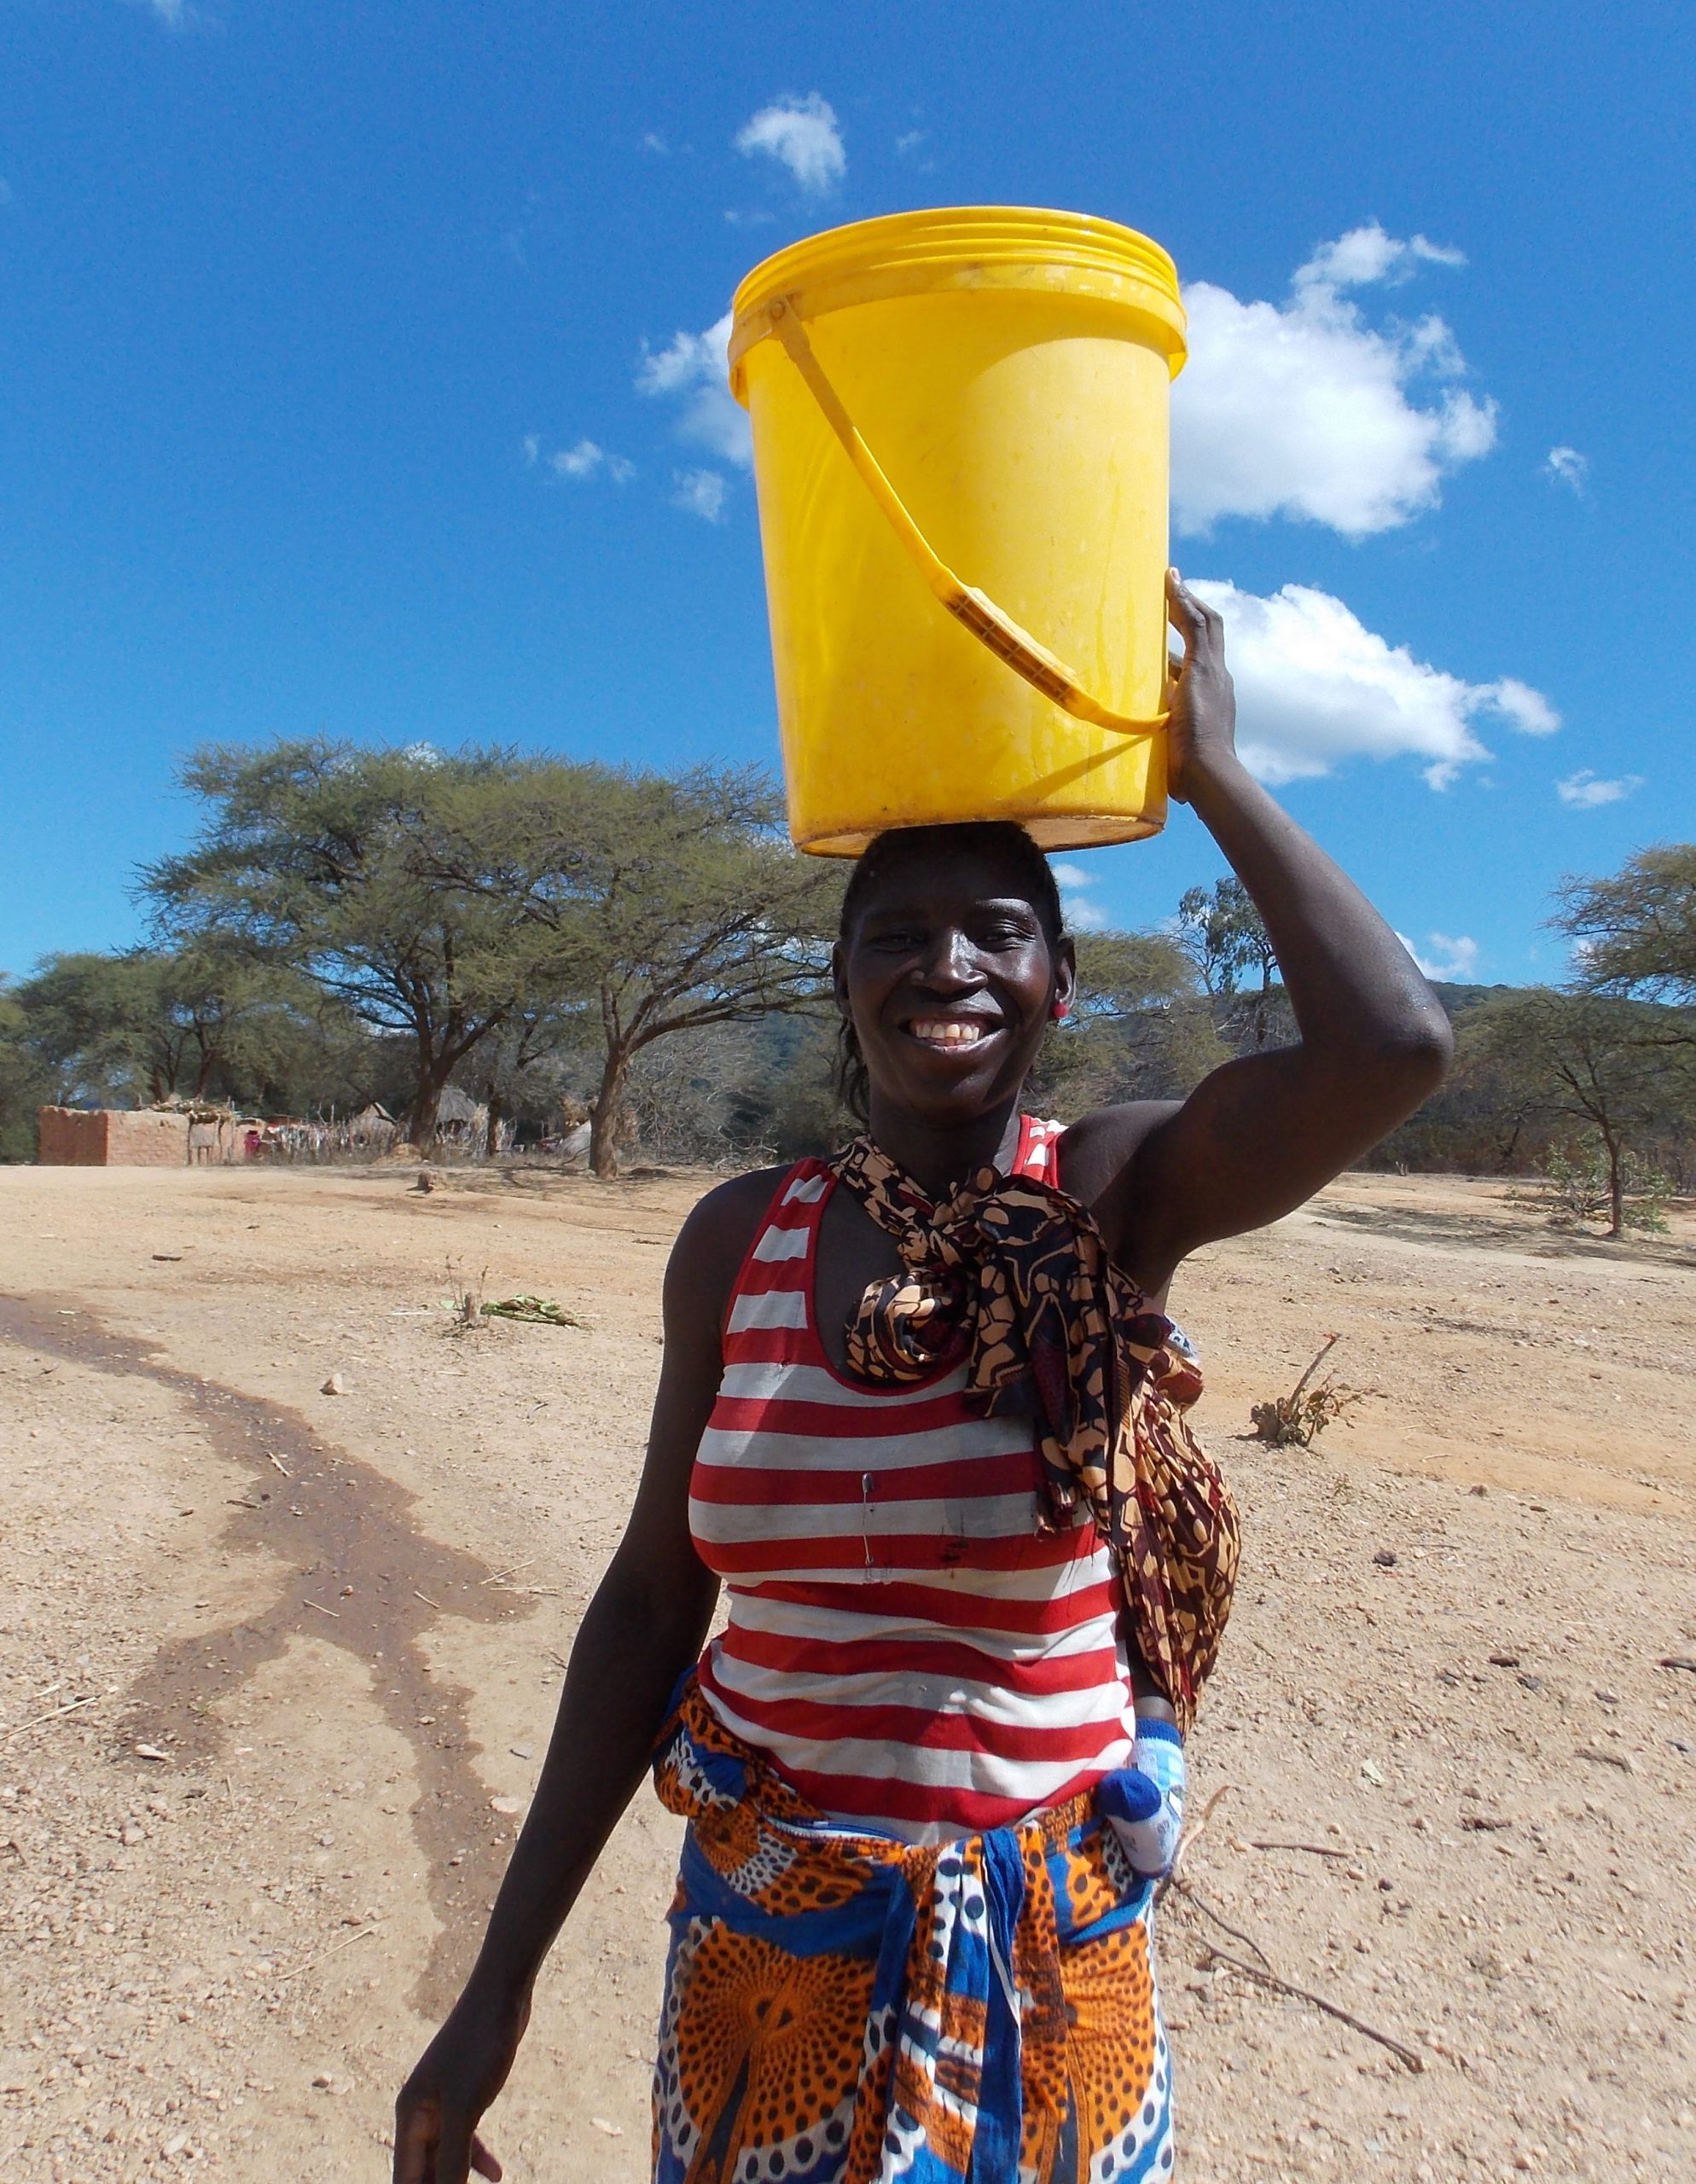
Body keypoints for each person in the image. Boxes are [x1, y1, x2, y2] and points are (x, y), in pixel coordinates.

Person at [393, 573, 1451, 2184]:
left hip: (1043, 1945)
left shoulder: (1110, 1196)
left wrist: (1212, 770)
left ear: (1059, 985)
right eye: (896, 935)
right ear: (841, 983)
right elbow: (646, 1606)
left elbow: (1394, 1049)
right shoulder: (739, 1238)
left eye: (998, 933)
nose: (944, 964)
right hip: (761, 1945)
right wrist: (495, 1994)